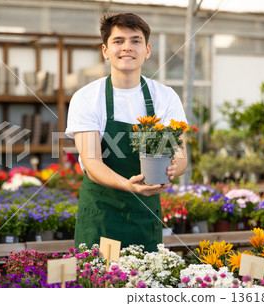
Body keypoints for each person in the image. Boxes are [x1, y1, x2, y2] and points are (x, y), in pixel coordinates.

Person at [65, 13, 188, 252]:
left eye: (135, 41)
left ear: (147, 49)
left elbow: (180, 153)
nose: (127, 48)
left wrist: (174, 168)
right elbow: (92, 163)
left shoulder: (165, 96)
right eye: (118, 41)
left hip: (146, 214)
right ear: (105, 51)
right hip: (101, 215)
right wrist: (128, 185)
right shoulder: (87, 98)